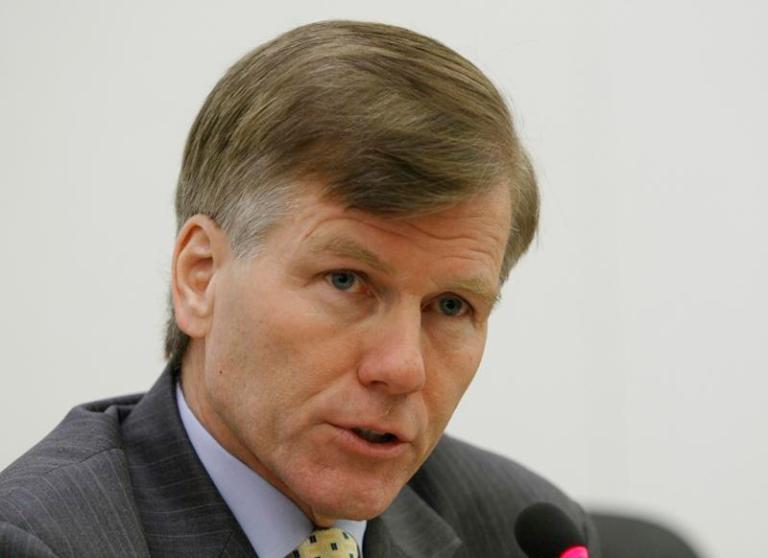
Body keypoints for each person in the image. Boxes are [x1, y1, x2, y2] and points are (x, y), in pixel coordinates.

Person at [0, 20, 600, 557]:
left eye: (451, 306)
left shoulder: (521, 531)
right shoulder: (40, 541)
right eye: (347, 281)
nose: (402, 368)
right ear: (201, 276)